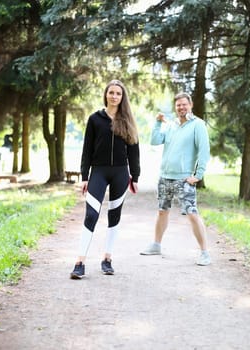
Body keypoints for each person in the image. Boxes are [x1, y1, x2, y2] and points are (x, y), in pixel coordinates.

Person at [70, 80, 140, 279]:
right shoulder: (95, 119)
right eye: (111, 92)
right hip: (98, 172)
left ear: (122, 97)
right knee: (91, 215)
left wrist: (135, 176)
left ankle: (107, 259)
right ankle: (80, 262)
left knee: (114, 215)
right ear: (106, 94)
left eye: (118, 93)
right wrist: (85, 176)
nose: (114, 96)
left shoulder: (128, 120)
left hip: (120, 173)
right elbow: (87, 149)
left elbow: (134, 150)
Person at [140, 92, 211, 266]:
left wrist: (198, 175)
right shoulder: (171, 125)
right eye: (178, 105)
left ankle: (204, 253)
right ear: (175, 107)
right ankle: (156, 245)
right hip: (165, 177)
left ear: (191, 105)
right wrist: (157, 122)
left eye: (184, 104)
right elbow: (155, 141)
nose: (181, 107)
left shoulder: (198, 125)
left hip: (184, 179)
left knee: (192, 214)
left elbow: (204, 151)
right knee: (162, 211)